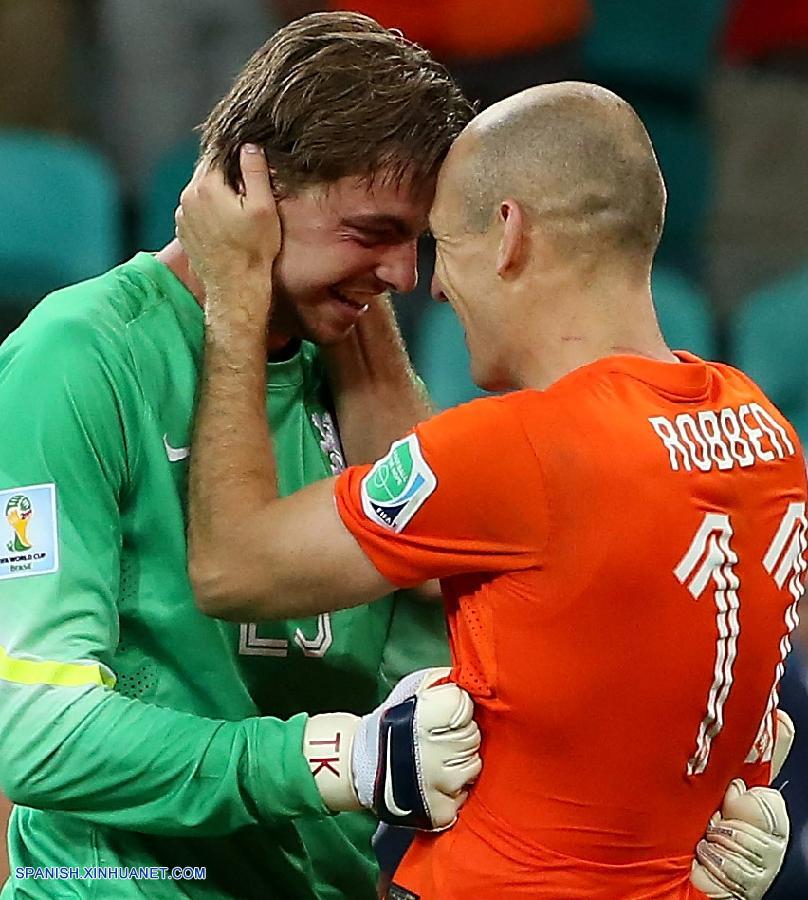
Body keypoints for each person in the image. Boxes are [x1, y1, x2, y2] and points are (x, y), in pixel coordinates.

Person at [176, 81, 806, 899]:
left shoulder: (522, 451)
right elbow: (446, 544)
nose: (433, 285)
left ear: (509, 233)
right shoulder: (763, 432)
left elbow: (234, 567)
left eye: (441, 243)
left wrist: (236, 294)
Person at [0, 12, 481, 900]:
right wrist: (321, 759)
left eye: (416, 240)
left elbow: (440, 664)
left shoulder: (355, 371)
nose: (405, 277)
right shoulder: (76, 358)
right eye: (371, 232)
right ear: (246, 190)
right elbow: (38, 733)